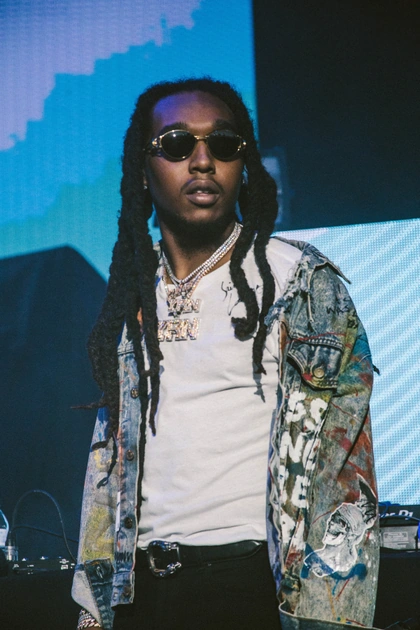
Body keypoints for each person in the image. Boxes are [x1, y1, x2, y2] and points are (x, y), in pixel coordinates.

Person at [72, 78, 379, 630]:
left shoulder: (299, 283)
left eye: (223, 144)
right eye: (175, 144)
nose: (202, 161)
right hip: (141, 593)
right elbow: (109, 465)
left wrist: (331, 616)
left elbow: (342, 468)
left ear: (244, 164)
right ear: (142, 170)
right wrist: (93, 611)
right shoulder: (131, 294)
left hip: (248, 587)